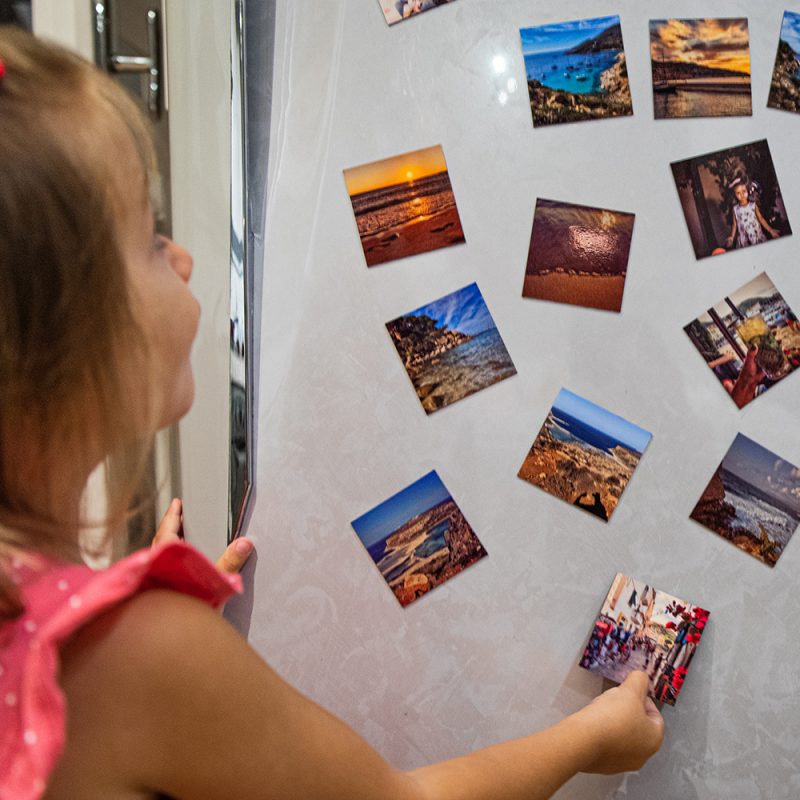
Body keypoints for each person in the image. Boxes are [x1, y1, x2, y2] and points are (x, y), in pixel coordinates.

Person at [0, 28, 664, 799]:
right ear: (63, 341)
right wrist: (588, 737)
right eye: (151, 242)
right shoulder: (129, 658)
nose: (183, 259)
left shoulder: (112, 647)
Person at [725, 181, 780, 250]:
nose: (741, 194)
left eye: (743, 191)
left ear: (748, 192)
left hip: (756, 236)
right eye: (738, 193)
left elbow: (761, 219)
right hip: (744, 240)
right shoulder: (735, 209)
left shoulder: (753, 205)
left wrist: (770, 230)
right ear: (735, 195)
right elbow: (735, 224)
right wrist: (732, 237)